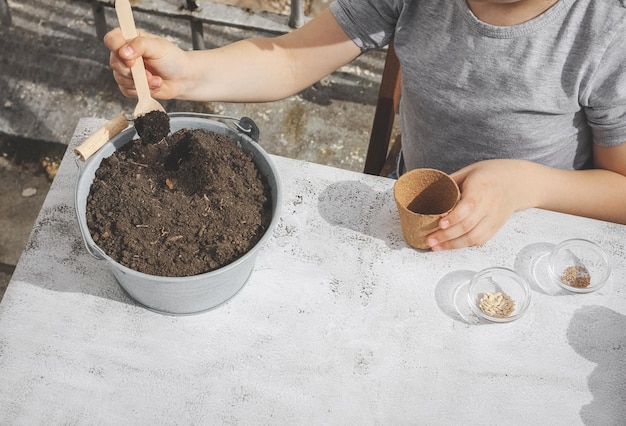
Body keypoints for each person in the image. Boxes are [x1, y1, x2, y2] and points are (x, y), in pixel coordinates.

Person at [104, 0, 626, 251]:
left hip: (537, 240)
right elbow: (290, 59)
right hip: (408, 213)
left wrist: (524, 185)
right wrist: (189, 72)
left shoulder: (607, 32)